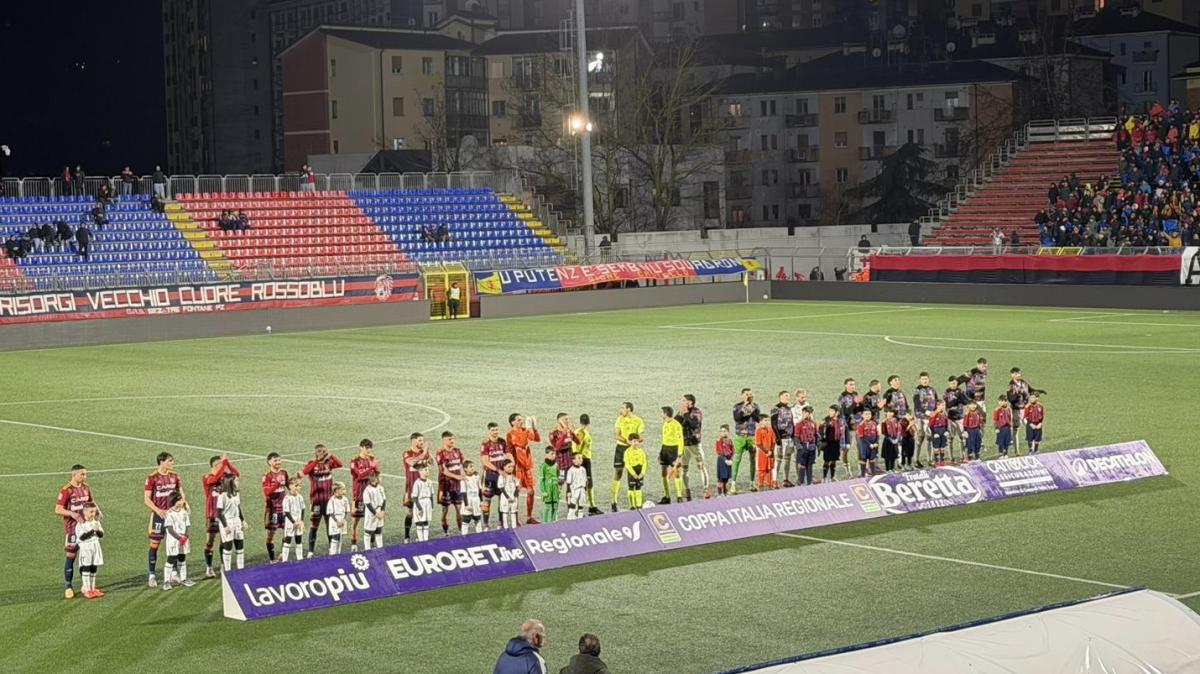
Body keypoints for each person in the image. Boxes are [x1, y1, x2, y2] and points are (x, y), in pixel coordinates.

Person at [55, 464, 95, 599]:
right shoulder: (66, 490)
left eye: (85, 474)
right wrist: (72, 513)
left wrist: (98, 513)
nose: (85, 476)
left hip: (86, 528)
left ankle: (86, 586)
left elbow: (92, 504)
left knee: (87, 557)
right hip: (72, 529)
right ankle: (68, 586)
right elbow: (58, 509)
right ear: (74, 474)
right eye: (82, 474)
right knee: (71, 556)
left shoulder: (86, 488)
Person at [144, 452, 183, 588]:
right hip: (159, 516)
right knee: (155, 544)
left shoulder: (175, 476)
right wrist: (158, 510)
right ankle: (152, 575)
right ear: (161, 462)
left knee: (174, 543)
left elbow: (181, 493)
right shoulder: (152, 478)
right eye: (170, 461)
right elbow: (147, 499)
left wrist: (183, 504)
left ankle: (173, 571)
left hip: (173, 516)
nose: (172, 463)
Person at [201, 454, 239, 578]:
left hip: (223, 514)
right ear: (214, 465)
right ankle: (209, 567)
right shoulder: (207, 477)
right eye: (220, 464)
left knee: (224, 541)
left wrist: (227, 463)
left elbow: (236, 474)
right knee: (210, 541)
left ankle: (224, 565)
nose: (222, 466)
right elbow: (213, 480)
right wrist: (224, 465)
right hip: (212, 513)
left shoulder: (223, 476)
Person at [301, 444, 342, 557]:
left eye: (324, 451)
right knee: (314, 525)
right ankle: (310, 551)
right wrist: (316, 460)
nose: (322, 453)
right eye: (320, 451)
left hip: (329, 501)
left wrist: (331, 455)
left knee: (330, 525)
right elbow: (305, 471)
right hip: (317, 501)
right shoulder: (312, 464)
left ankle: (331, 549)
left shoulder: (329, 463)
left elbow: (340, 464)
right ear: (316, 453)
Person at [508, 413, 542, 524]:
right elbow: (521, 442)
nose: (521, 422)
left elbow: (536, 439)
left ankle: (529, 517)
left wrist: (535, 428)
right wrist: (528, 429)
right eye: (519, 420)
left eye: (522, 420)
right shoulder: (510, 434)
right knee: (516, 493)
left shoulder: (524, 430)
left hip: (527, 467)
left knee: (531, 491)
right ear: (513, 422)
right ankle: (515, 520)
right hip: (517, 468)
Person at [611, 402, 644, 512]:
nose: (621, 410)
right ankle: (614, 500)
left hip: (633, 450)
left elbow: (641, 437)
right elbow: (616, 434)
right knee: (618, 473)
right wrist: (627, 441)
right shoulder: (619, 419)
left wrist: (634, 442)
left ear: (629, 409)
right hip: (621, 448)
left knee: (634, 474)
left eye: (623, 408)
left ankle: (635, 503)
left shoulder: (638, 421)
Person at [349, 438, 381, 551]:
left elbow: (377, 475)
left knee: (373, 519)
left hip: (372, 496)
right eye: (367, 448)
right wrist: (371, 469)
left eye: (370, 448)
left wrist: (377, 476)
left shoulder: (372, 459)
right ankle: (354, 544)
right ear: (361, 448)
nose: (369, 450)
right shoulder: (355, 461)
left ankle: (371, 544)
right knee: (355, 520)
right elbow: (359, 476)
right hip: (359, 494)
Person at [676, 394, 708, 501]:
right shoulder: (682, 412)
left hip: (695, 444)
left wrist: (685, 414)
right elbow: (675, 423)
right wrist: (679, 415)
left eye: (684, 400)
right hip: (684, 445)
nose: (682, 402)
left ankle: (705, 489)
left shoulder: (697, 412)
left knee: (701, 467)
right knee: (684, 469)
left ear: (690, 402)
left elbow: (694, 425)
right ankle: (687, 490)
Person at [730, 388, 761, 494]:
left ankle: (752, 483)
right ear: (742, 395)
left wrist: (752, 409)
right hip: (740, 437)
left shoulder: (755, 406)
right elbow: (737, 418)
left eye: (751, 394)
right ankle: (733, 484)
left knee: (753, 460)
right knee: (737, 460)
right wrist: (745, 407)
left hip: (752, 437)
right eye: (747, 394)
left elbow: (758, 419)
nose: (749, 396)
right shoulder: (737, 406)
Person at [481, 422, 512, 529]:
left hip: (501, 475)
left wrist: (511, 464)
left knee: (502, 500)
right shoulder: (485, 444)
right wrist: (498, 470)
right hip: (490, 475)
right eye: (493, 430)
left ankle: (500, 522)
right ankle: (485, 523)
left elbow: (508, 454)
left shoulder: (502, 442)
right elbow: (485, 461)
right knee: (487, 500)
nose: (495, 432)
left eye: (497, 430)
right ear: (489, 431)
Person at [401, 433, 431, 543]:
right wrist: (424, 451)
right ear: (413, 441)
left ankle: (421, 537)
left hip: (423, 488)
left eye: (423, 440)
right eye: (419, 440)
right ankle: (407, 536)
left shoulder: (423, 452)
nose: (422, 442)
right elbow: (412, 462)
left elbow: (432, 462)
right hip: (411, 487)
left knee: (421, 512)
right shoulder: (407, 453)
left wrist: (428, 451)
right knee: (410, 513)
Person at [436, 431, 467, 535]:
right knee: (445, 510)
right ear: (444, 440)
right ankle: (446, 532)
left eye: (453, 438)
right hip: (446, 485)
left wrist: (466, 474)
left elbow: (463, 464)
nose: (452, 441)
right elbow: (444, 471)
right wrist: (458, 476)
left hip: (457, 485)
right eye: (450, 439)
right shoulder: (440, 453)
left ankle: (461, 532)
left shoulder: (458, 451)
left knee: (459, 509)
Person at [261, 452, 289, 562]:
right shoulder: (267, 476)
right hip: (272, 509)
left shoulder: (284, 472)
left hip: (285, 508)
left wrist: (298, 479)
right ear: (269, 462)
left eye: (279, 460)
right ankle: (272, 559)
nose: (278, 462)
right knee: (271, 534)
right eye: (275, 460)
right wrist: (276, 483)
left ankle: (283, 554)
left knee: (287, 531)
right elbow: (267, 492)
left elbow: (289, 486)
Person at [162, 492, 194, 590]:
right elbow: (170, 529)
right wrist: (179, 538)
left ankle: (184, 578)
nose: (181, 502)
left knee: (182, 558)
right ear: (174, 501)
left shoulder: (184, 512)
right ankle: (166, 581)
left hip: (184, 539)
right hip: (174, 540)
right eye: (179, 500)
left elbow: (188, 525)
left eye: (181, 500)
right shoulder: (169, 514)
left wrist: (185, 537)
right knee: (171, 559)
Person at [75, 503, 105, 599]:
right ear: (84, 512)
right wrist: (93, 531)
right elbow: (82, 537)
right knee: (86, 567)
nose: (93, 514)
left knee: (94, 566)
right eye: (91, 511)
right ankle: (86, 589)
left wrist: (97, 530)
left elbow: (101, 534)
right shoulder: (81, 524)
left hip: (95, 545)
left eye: (94, 511)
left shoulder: (96, 522)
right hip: (86, 547)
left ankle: (92, 588)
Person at [216, 475, 246, 569]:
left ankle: (241, 569)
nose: (238, 482)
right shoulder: (222, 496)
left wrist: (243, 520)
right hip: (227, 521)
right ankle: (227, 570)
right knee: (228, 547)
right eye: (236, 480)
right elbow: (219, 513)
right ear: (230, 482)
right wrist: (225, 526)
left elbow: (238, 508)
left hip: (236, 520)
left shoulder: (236, 493)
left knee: (240, 546)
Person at [572, 414, 601, 515]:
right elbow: (578, 449)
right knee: (582, 484)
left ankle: (591, 506)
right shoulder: (580, 433)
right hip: (582, 460)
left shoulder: (582, 432)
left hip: (585, 459)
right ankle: (578, 509)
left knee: (589, 483)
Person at [659, 406, 685, 504]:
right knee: (663, 472)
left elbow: (680, 440)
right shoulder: (665, 423)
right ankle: (667, 496)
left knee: (677, 472)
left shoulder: (676, 425)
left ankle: (679, 496)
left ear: (665, 414)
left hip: (674, 450)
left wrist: (679, 455)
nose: (661, 414)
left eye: (662, 412)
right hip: (664, 448)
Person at [912, 372, 938, 469]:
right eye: (923, 379)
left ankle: (930, 459)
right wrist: (927, 412)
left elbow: (936, 402)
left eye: (926, 379)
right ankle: (916, 460)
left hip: (931, 418)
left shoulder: (932, 390)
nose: (925, 380)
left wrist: (936, 412)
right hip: (921, 418)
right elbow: (917, 404)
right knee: (920, 438)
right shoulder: (917, 390)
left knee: (930, 438)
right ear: (919, 380)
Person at [549, 413, 579, 493]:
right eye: (565, 419)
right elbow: (557, 447)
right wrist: (564, 433)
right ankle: (554, 499)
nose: (568, 421)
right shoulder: (554, 433)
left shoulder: (569, 431)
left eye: (568, 419)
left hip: (570, 461)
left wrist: (573, 432)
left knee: (571, 483)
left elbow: (578, 442)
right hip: (561, 463)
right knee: (561, 481)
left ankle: (570, 504)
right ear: (560, 421)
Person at [770, 390, 795, 487]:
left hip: (789, 437)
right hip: (781, 437)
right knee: (778, 459)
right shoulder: (775, 409)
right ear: (780, 397)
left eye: (788, 396)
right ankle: (774, 480)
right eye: (785, 396)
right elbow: (773, 424)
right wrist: (777, 437)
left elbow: (792, 422)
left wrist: (793, 436)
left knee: (787, 459)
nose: (788, 398)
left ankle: (786, 479)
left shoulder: (789, 409)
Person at [943, 376, 970, 463]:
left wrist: (961, 398)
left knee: (962, 437)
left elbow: (966, 401)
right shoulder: (946, 392)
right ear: (949, 383)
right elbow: (947, 404)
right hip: (950, 419)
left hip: (960, 418)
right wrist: (958, 399)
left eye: (955, 383)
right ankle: (951, 458)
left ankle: (963, 456)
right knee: (950, 438)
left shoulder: (960, 391)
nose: (953, 385)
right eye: (951, 383)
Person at [281, 478, 306, 561]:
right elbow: (287, 512)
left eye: (299, 486)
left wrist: (301, 520)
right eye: (296, 486)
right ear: (290, 486)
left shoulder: (300, 497)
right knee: (288, 540)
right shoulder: (287, 498)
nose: (298, 487)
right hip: (290, 523)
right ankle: (284, 560)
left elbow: (303, 509)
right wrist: (293, 522)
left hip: (298, 522)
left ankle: (300, 558)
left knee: (299, 539)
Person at [363, 471, 389, 548]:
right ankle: (367, 549)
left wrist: (382, 511)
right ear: (375, 479)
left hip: (379, 510)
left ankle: (380, 548)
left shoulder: (381, 488)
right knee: (368, 531)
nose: (381, 478)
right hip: (371, 513)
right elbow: (368, 504)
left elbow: (384, 500)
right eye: (379, 477)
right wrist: (376, 513)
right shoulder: (367, 490)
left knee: (379, 530)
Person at [793, 406, 818, 485]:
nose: (806, 414)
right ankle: (801, 481)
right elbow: (796, 436)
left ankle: (809, 481)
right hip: (803, 445)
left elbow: (816, 435)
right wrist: (799, 446)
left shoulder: (813, 423)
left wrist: (819, 444)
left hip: (812, 446)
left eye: (808, 413)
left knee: (810, 465)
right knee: (802, 465)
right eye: (804, 412)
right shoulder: (799, 424)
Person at [819, 406, 843, 482]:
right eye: (830, 411)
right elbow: (821, 431)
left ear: (837, 413)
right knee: (827, 460)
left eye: (832, 411)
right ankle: (824, 477)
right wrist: (822, 442)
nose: (830, 413)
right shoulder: (826, 421)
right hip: (828, 443)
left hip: (836, 443)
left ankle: (832, 477)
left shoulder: (840, 421)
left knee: (834, 460)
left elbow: (844, 432)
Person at [623, 433, 648, 509]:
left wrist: (642, 473)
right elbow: (627, 464)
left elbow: (644, 462)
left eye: (637, 441)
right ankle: (632, 506)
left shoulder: (641, 451)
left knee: (638, 488)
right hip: (632, 472)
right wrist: (633, 474)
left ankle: (639, 505)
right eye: (634, 441)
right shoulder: (627, 452)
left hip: (639, 471)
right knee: (631, 488)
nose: (636, 443)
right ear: (630, 442)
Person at [753, 411, 777, 490]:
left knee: (769, 470)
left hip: (770, 454)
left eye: (768, 420)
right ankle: (761, 486)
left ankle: (769, 485)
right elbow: (758, 444)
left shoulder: (770, 430)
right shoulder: (758, 431)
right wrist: (767, 451)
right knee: (762, 470)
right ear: (760, 422)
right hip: (762, 454)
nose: (767, 422)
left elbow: (773, 442)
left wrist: (771, 451)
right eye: (765, 420)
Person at [855, 408, 880, 477]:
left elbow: (877, 434)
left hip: (874, 445)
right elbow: (861, 437)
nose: (868, 415)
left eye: (869, 414)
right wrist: (870, 444)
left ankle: (874, 476)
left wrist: (876, 442)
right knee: (863, 461)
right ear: (862, 415)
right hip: (865, 446)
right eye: (866, 414)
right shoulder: (860, 425)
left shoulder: (874, 423)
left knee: (872, 460)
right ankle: (863, 476)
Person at [326, 482, 350, 554]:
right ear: (337, 490)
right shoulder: (332, 500)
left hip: (342, 520)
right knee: (335, 536)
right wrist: (337, 521)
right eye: (343, 489)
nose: (344, 491)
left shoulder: (345, 499)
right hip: (335, 521)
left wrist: (343, 519)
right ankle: (333, 554)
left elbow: (346, 511)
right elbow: (331, 512)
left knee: (340, 537)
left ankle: (338, 553)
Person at [539, 447, 560, 523]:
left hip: (555, 488)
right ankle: (545, 523)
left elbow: (558, 475)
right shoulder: (543, 466)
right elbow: (541, 480)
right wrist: (543, 491)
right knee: (547, 507)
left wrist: (558, 487)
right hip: (548, 488)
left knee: (555, 506)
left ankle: (554, 522)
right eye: (552, 454)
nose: (554, 455)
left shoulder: (556, 465)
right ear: (546, 454)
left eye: (554, 454)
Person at [564, 454, 588, 520]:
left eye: (581, 458)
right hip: (574, 490)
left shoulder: (583, 469)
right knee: (572, 506)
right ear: (573, 460)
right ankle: (570, 518)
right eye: (579, 458)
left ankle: (580, 517)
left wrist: (585, 489)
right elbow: (568, 483)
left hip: (582, 489)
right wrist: (568, 492)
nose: (581, 460)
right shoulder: (571, 470)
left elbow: (585, 480)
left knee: (581, 505)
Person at [462, 462, 483, 533]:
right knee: (466, 520)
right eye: (470, 467)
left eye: (473, 466)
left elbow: (480, 489)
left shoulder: (477, 476)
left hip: (476, 500)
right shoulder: (464, 479)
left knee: (478, 519)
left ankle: (479, 536)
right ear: (465, 469)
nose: (473, 468)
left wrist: (481, 501)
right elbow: (463, 492)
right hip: (468, 500)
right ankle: (464, 537)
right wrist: (466, 505)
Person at [498, 462, 520, 529]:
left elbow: (517, 487)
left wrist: (514, 496)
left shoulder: (514, 476)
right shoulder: (502, 477)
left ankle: (514, 528)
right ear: (504, 467)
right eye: (509, 467)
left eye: (512, 467)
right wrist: (507, 497)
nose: (511, 468)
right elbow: (501, 488)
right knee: (505, 513)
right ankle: (506, 528)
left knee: (513, 513)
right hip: (505, 498)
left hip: (513, 498)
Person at [714, 425, 734, 496]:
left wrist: (731, 460)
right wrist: (726, 460)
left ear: (728, 432)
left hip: (728, 461)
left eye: (725, 431)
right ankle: (720, 493)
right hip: (722, 461)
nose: (723, 433)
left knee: (727, 478)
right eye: (721, 431)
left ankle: (725, 492)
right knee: (721, 478)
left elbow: (732, 451)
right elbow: (719, 452)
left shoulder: (730, 441)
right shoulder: (718, 441)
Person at [881, 408, 903, 473]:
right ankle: (888, 469)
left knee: (894, 455)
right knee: (887, 456)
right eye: (888, 412)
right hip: (888, 440)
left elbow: (899, 429)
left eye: (891, 412)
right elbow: (884, 432)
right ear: (886, 414)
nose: (890, 414)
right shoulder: (884, 422)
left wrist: (897, 439)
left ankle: (892, 468)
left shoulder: (895, 420)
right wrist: (891, 439)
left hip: (895, 439)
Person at [929, 401, 950, 467]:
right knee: (936, 448)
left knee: (942, 447)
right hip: (936, 431)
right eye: (942, 405)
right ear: (937, 406)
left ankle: (942, 461)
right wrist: (934, 433)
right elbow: (931, 425)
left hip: (943, 431)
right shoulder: (933, 414)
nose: (944, 407)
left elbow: (946, 423)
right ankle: (936, 461)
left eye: (944, 405)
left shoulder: (945, 413)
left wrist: (946, 431)